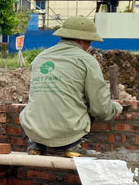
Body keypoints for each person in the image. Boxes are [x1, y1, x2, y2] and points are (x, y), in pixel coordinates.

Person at [19, 16, 123, 157]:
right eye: (89, 41)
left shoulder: (40, 58)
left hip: (33, 128)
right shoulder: (86, 61)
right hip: (67, 131)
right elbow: (100, 107)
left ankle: (36, 144)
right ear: (80, 40)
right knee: (88, 105)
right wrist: (115, 108)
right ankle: (73, 146)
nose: (89, 46)